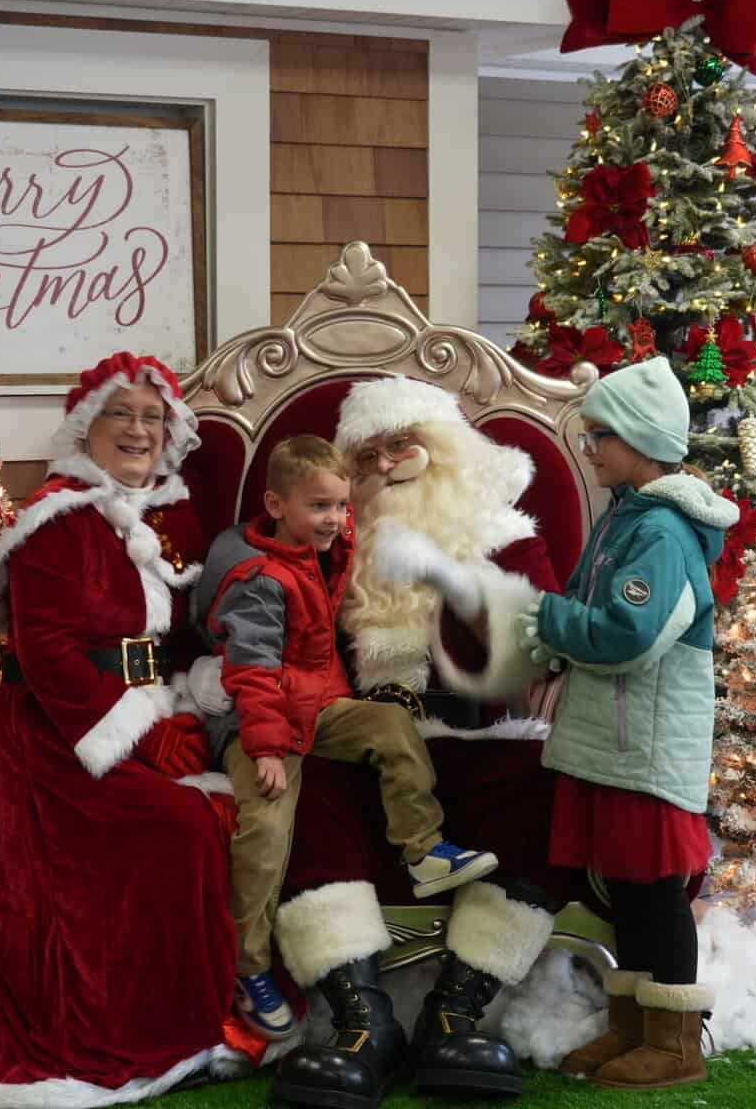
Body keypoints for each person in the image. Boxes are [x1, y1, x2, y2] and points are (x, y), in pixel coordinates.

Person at [0, 352, 248, 1106]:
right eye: (122, 413)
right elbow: (50, 656)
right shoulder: (55, 520)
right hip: (54, 734)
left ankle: (195, 1021)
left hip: (139, 712)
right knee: (180, 823)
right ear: (87, 424)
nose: (139, 430)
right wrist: (144, 736)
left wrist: (187, 708)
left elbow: (184, 634)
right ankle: (123, 1029)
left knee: (214, 810)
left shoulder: (168, 516)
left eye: (152, 417)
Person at [390, 356, 736, 1090]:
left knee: (654, 889)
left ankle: (676, 1041)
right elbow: (587, 610)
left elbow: (629, 635)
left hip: (644, 745)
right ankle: (634, 1027)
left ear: (641, 441)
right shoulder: (626, 519)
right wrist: (549, 633)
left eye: (599, 436)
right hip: (614, 740)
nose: (589, 450)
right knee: (628, 886)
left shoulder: (663, 533)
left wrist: (545, 615)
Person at [267, 377, 584, 1108]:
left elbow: (542, 644)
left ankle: (456, 1010)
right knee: (301, 778)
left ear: (442, 449)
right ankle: (361, 1020)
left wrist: (458, 583)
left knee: (552, 782)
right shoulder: (336, 550)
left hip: (481, 744)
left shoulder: (506, 536)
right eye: (367, 457)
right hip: (370, 750)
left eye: (401, 445)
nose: (385, 465)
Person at [192, 435, 497, 1043]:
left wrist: (373, 478)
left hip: (319, 705)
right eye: (318, 507)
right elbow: (252, 670)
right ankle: (249, 967)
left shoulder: (323, 546)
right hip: (263, 719)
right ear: (275, 505)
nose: (334, 519)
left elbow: (363, 511)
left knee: (391, 724)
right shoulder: (257, 578)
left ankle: (422, 848)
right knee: (266, 825)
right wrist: (266, 749)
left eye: (339, 506)